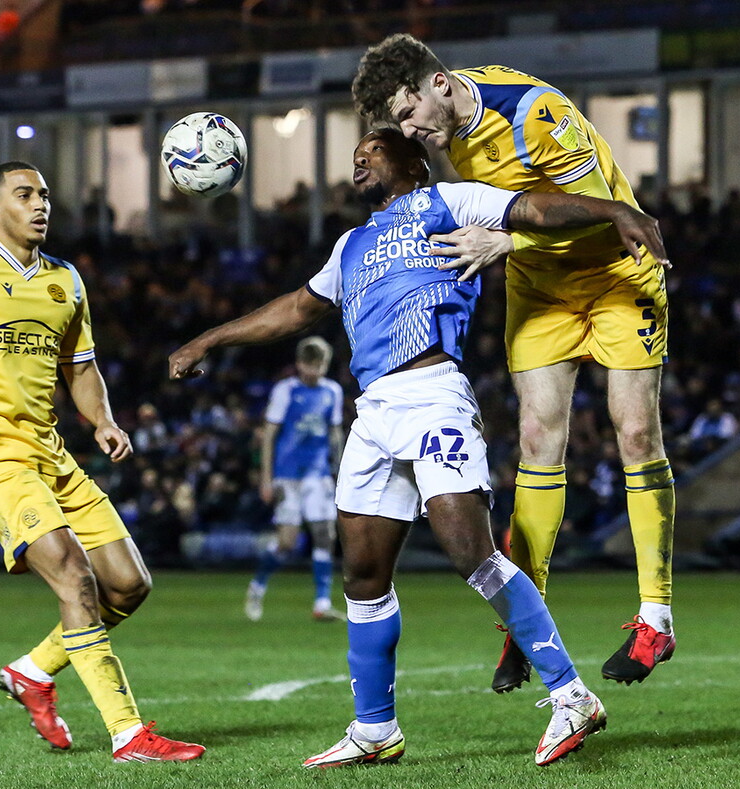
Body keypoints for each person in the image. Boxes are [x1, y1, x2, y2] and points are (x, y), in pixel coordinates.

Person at [169, 129, 668, 767]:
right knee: (362, 577)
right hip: (373, 413)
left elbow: (534, 208)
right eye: (355, 154)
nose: (358, 157)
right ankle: (375, 729)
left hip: (433, 395)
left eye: (373, 149)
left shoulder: (450, 202)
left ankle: (572, 697)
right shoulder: (349, 245)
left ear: (413, 162)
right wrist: (209, 339)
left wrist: (612, 209)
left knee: (472, 554)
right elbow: (296, 308)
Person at [352, 34, 677, 689]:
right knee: (535, 439)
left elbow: (602, 215)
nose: (410, 133)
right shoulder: (445, 129)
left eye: (410, 116)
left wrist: (505, 241)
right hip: (539, 285)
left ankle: (657, 617)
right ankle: (528, 626)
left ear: (438, 83)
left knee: (636, 430)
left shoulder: (535, 114)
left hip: (616, 271)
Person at [0, 161, 204, 763]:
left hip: (51, 455)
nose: (40, 205)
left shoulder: (66, 281)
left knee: (129, 584)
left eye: (45, 195)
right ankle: (129, 734)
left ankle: (32, 672)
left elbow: (81, 368)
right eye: (24, 195)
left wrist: (103, 420)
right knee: (75, 575)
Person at [245, 335, 345, 622]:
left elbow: (334, 432)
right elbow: (270, 435)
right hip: (288, 475)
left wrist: (340, 468)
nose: (316, 371)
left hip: (318, 473)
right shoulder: (285, 391)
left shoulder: (332, 391)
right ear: (300, 364)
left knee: (325, 533)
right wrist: (266, 478)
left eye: (321, 365)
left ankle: (322, 603)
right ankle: (257, 585)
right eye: (311, 365)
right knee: (286, 543)